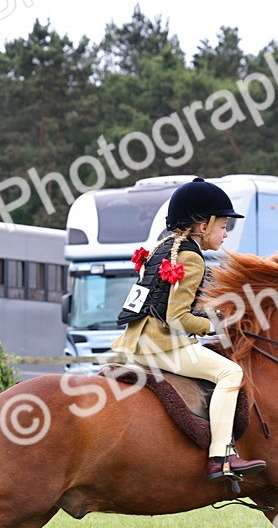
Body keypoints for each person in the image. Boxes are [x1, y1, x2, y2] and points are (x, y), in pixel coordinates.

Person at [110, 177, 267, 482]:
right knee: (230, 373)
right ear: (201, 225)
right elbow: (178, 317)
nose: (226, 233)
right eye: (223, 226)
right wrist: (214, 325)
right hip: (162, 345)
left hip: (136, 342)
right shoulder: (192, 259)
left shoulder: (162, 249)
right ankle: (221, 456)